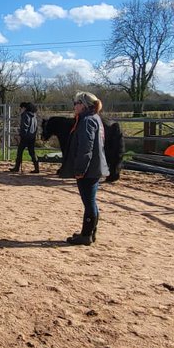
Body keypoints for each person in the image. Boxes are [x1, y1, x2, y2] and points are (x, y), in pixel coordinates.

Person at [61, 91, 108, 245]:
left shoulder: (87, 121)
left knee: (89, 202)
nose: (74, 106)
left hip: (89, 168)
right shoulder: (94, 118)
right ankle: (89, 232)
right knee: (90, 201)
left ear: (83, 105)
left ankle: (86, 235)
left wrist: (80, 169)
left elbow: (85, 148)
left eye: (76, 103)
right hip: (94, 166)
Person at [10, 101, 40, 173]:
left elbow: (24, 126)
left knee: (20, 151)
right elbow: (36, 127)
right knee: (32, 152)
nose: (21, 109)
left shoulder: (25, 115)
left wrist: (21, 135)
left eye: (21, 108)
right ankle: (37, 168)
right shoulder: (34, 116)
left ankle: (17, 167)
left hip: (25, 136)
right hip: (32, 136)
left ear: (24, 108)